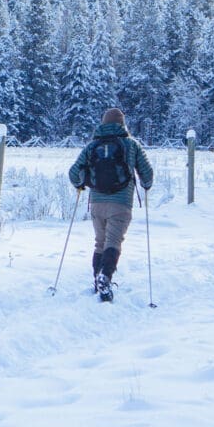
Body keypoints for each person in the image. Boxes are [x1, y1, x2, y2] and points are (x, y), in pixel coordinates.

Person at [68, 106, 154, 302]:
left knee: (100, 242)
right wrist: (146, 185)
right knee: (113, 242)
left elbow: (74, 172)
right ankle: (105, 278)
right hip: (121, 203)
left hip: (97, 202)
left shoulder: (92, 146)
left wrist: (80, 185)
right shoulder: (131, 145)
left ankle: (97, 280)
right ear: (122, 124)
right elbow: (147, 173)